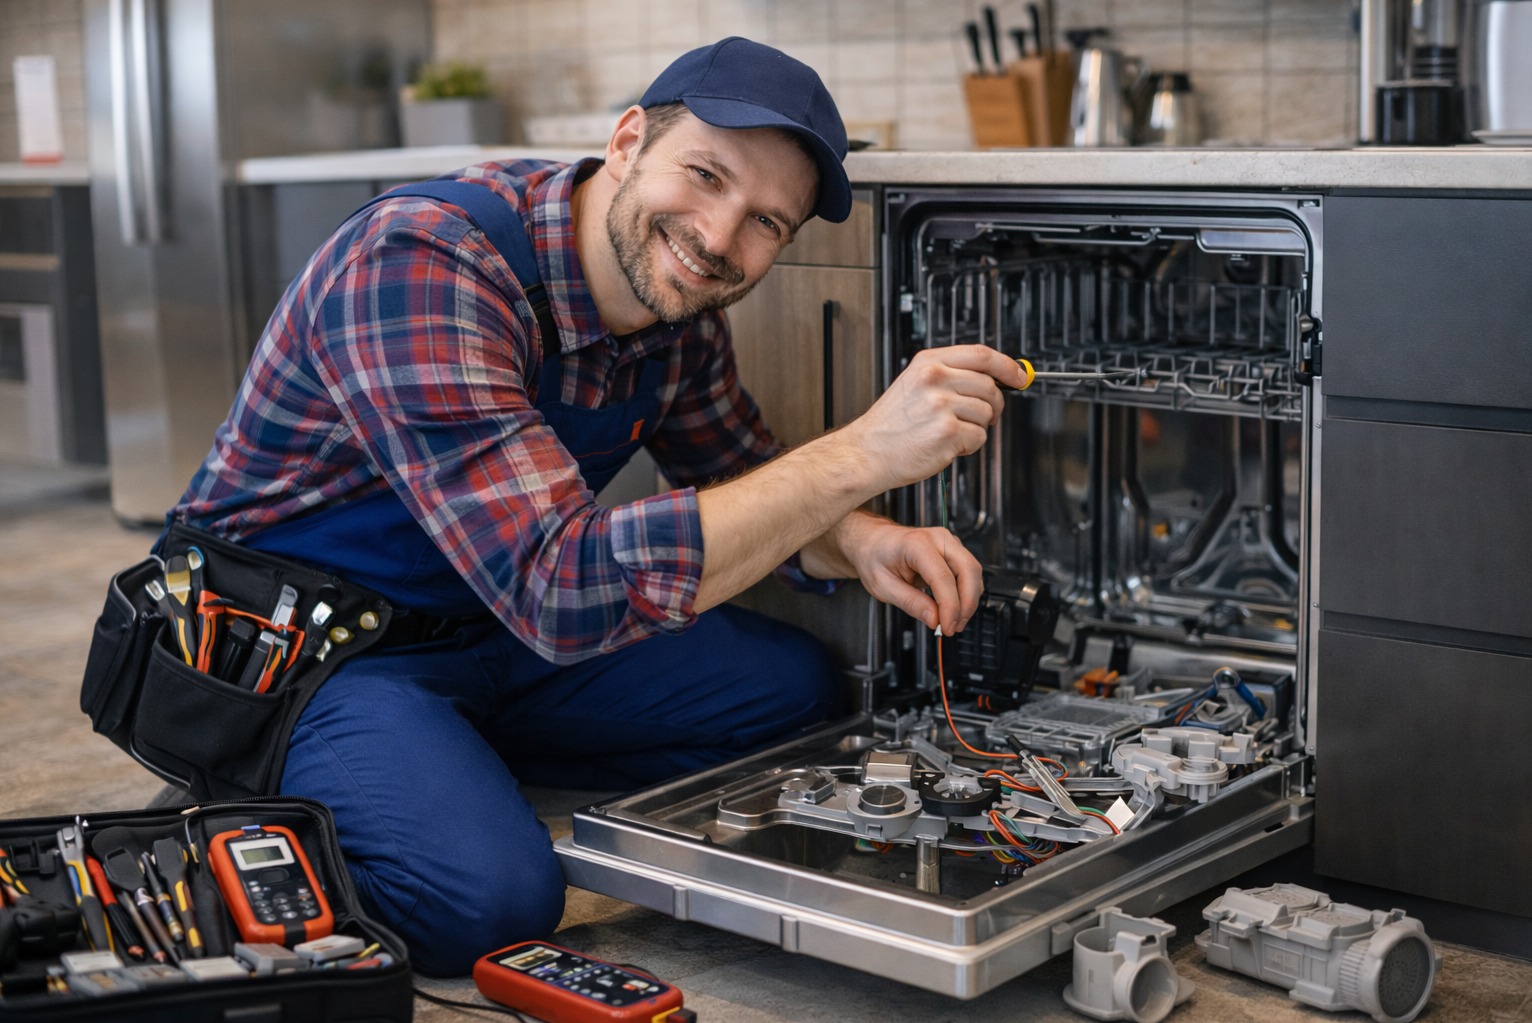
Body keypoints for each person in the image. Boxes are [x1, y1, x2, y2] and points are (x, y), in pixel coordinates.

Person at [165, 36, 1025, 975]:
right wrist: (860, 453)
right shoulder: (421, 261)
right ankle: (287, 782)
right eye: (704, 175)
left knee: (794, 691)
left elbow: (740, 473)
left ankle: (438, 758)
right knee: (486, 900)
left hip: (486, 629)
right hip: (303, 653)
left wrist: (861, 540)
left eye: (766, 223)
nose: (718, 236)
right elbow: (561, 587)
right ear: (626, 143)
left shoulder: (676, 308)